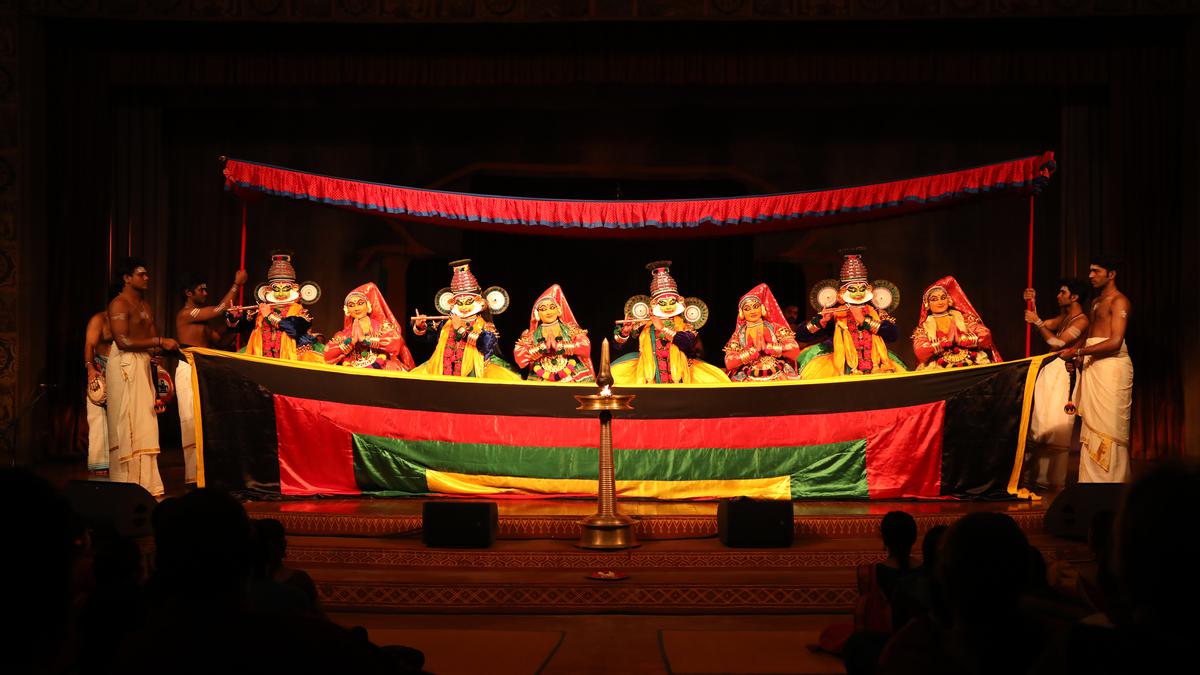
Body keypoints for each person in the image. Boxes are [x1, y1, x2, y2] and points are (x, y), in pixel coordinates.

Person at [1059, 256, 1132, 483]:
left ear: (1111, 274)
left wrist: (1079, 353)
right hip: (1093, 365)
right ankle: (1091, 484)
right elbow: (1091, 337)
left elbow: (1115, 341)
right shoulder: (1096, 302)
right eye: (1090, 271)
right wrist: (1078, 356)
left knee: (1108, 427)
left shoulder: (1119, 301)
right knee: (1091, 426)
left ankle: (1112, 484)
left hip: (1112, 367)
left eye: (1096, 271)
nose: (1090, 275)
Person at [106, 257, 174, 497]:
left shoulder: (145, 305)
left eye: (147, 274)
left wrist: (158, 355)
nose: (147, 278)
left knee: (146, 421)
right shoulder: (119, 304)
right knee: (128, 423)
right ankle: (125, 484)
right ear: (127, 278)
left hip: (143, 364)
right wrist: (157, 342)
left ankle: (146, 484)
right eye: (141, 274)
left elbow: (153, 340)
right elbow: (122, 340)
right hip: (124, 364)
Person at [175, 269, 248, 485]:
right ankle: (192, 476)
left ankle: (205, 474)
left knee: (207, 421)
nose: (206, 293)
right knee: (191, 420)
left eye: (206, 289)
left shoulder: (202, 321)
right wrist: (237, 285)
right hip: (189, 367)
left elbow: (219, 341)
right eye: (201, 289)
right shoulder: (185, 314)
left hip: (205, 369)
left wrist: (235, 325)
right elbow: (219, 309)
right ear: (189, 293)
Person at [610, 261, 729, 384]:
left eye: (671, 302)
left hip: (681, 374)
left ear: (678, 301)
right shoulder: (645, 325)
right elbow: (617, 346)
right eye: (663, 303)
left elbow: (688, 344)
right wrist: (625, 332)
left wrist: (662, 328)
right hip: (648, 375)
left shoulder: (685, 325)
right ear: (654, 304)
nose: (668, 307)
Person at [797, 249, 907, 378]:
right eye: (853, 289)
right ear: (843, 292)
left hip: (876, 363)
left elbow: (893, 335)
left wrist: (864, 320)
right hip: (840, 364)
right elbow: (801, 335)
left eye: (862, 289)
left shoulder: (875, 312)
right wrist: (821, 321)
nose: (859, 293)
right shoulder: (836, 313)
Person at [1023, 280, 1090, 488]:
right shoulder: (1065, 317)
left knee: (1055, 424)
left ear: (1074, 297)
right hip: (1050, 370)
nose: (1058, 295)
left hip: (1064, 373)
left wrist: (1037, 322)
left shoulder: (1081, 321)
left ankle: (1051, 480)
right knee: (1041, 422)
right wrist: (1032, 303)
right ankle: (1035, 477)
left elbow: (1057, 343)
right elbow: (1043, 324)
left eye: (1063, 292)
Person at [411, 259, 521, 380]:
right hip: (443, 372)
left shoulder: (485, 325)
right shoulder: (446, 323)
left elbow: (485, 345)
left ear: (480, 302)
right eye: (459, 302)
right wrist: (420, 326)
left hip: (474, 372)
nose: (463, 307)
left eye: (468, 302)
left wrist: (461, 329)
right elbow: (428, 338)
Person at [245, 253, 323, 363]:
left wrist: (269, 316)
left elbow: (294, 329)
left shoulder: (302, 312)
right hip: (261, 359)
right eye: (277, 289)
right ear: (268, 289)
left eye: (285, 288)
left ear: (294, 288)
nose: (281, 293)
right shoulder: (262, 309)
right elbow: (242, 328)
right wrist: (237, 317)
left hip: (291, 361)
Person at [910, 276, 1000, 370]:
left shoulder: (963, 318)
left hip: (972, 361)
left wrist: (968, 339)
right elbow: (920, 351)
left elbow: (985, 334)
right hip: (938, 366)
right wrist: (940, 344)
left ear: (948, 300)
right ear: (927, 304)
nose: (940, 302)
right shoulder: (924, 327)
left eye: (943, 298)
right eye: (934, 299)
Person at [324, 282, 414, 371]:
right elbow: (328, 355)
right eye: (351, 305)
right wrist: (352, 341)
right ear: (347, 310)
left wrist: (366, 340)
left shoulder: (382, 327)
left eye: (360, 303)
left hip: (382, 367)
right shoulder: (344, 334)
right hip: (353, 370)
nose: (356, 308)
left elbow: (396, 342)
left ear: (368, 306)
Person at [513, 284, 595, 382]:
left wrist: (561, 346)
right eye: (543, 309)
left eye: (552, 307)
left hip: (572, 373)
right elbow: (520, 357)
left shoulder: (571, 329)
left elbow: (585, 346)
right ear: (537, 314)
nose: (548, 312)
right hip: (541, 374)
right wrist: (541, 348)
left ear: (559, 310)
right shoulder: (531, 335)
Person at [723, 283, 800, 381]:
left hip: (778, 373)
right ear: (742, 313)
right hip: (748, 376)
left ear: (762, 308)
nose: (752, 311)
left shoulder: (775, 327)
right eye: (747, 309)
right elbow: (729, 362)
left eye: (755, 306)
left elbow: (794, 349)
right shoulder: (739, 335)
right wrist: (751, 352)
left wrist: (769, 347)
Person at [84, 282, 122, 475]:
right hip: (100, 369)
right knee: (98, 419)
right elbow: (90, 345)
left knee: (123, 421)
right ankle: (101, 465)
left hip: (123, 371)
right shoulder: (99, 320)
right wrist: (91, 368)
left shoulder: (129, 320)